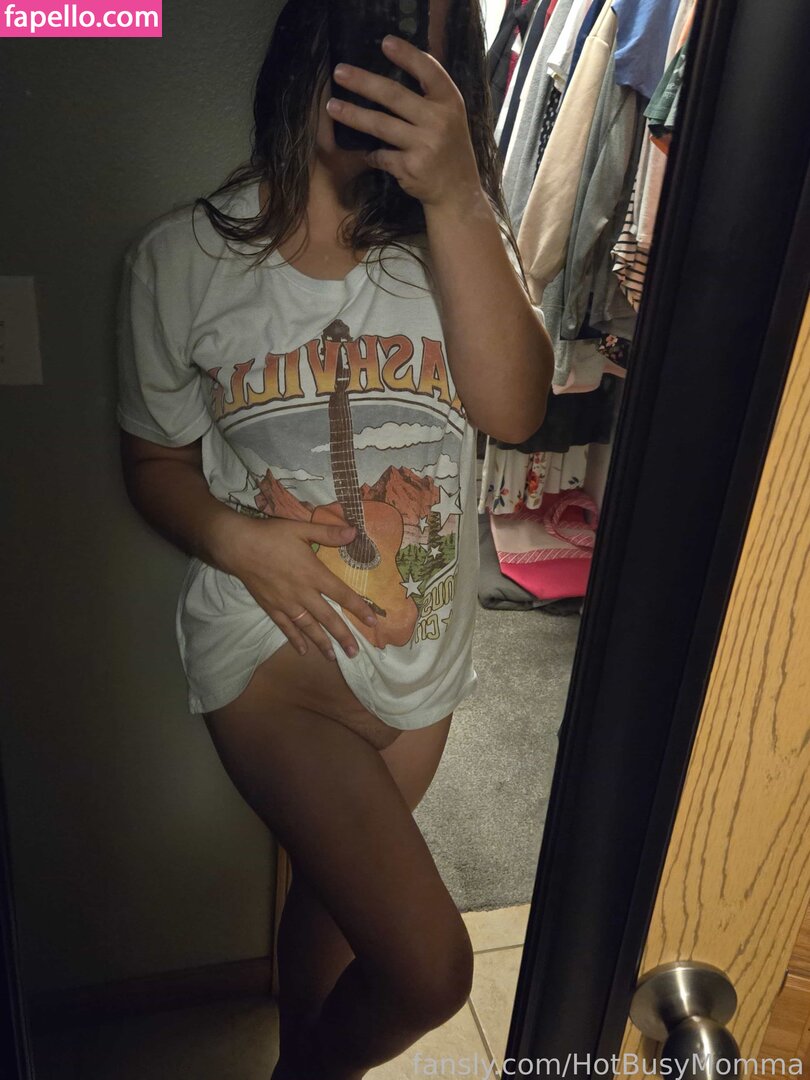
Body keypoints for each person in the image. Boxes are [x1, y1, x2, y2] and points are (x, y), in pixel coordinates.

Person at [115, 0, 553, 1076]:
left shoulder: (461, 247)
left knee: (332, 898)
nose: (390, 62)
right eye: (374, 24)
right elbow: (154, 466)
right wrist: (239, 541)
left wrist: (459, 197)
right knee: (429, 971)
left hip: (421, 673)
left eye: (423, 41)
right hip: (276, 662)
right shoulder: (179, 261)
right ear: (315, 35)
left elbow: (514, 412)